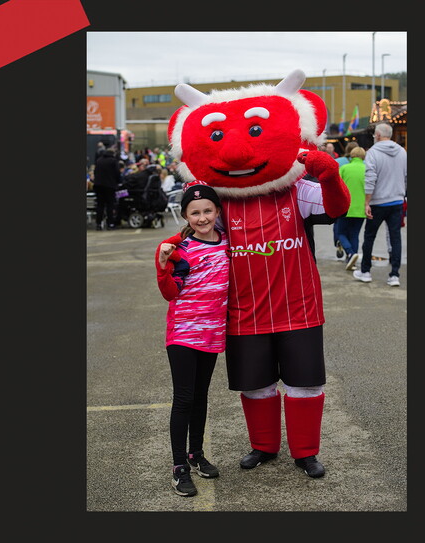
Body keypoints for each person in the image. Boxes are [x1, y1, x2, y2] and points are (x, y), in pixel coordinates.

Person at [164, 70, 350, 480]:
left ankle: (306, 452)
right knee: (256, 386)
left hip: (298, 305)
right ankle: (263, 446)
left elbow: (336, 209)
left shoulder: (294, 190)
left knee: (305, 384)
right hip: (244, 310)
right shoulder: (219, 205)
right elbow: (189, 241)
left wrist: (331, 174)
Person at [155, 183, 230, 497]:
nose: (202, 218)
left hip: (212, 333)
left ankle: (195, 454)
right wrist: (162, 265)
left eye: (208, 211)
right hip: (184, 334)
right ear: (185, 215)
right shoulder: (181, 250)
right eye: (195, 213)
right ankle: (178, 468)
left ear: (217, 211)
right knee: (184, 398)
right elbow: (170, 293)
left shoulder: (227, 243)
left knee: (201, 396)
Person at [353, 123, 407, 286]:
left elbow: (371, 178)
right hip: (397, 200)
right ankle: (394, 274)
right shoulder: (402, 152)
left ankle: (365, 271)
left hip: (378, 202)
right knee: (395, 237)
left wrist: (367, 202)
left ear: (377, 135)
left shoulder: (373, 153)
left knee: (370, 236)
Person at [337, 146, 367, 271]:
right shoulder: (367, 169)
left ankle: (350, 252)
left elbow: (336, 186)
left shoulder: (344, 168)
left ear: (352, 155)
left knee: (341, 233)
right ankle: (352, 261)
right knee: (355, 235)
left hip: (345, 207)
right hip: (361, 209)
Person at [332, 141, 360, 258]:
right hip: (359, 206)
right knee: (354, 233)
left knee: (339, 229)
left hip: (342, 202)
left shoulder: (339, 163)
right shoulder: (364, 166)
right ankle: (351, 257)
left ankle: (342, 245)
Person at [91, 148, 121, 230]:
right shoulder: (113, 161)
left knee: (100, 205)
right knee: (110, 205)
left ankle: (98, 224)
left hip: (98, 186)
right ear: (113, 153)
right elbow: (117, 173)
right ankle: (110, 223)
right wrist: (118, 182)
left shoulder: (99, 160)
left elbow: (95, 172)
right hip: (110, 186)